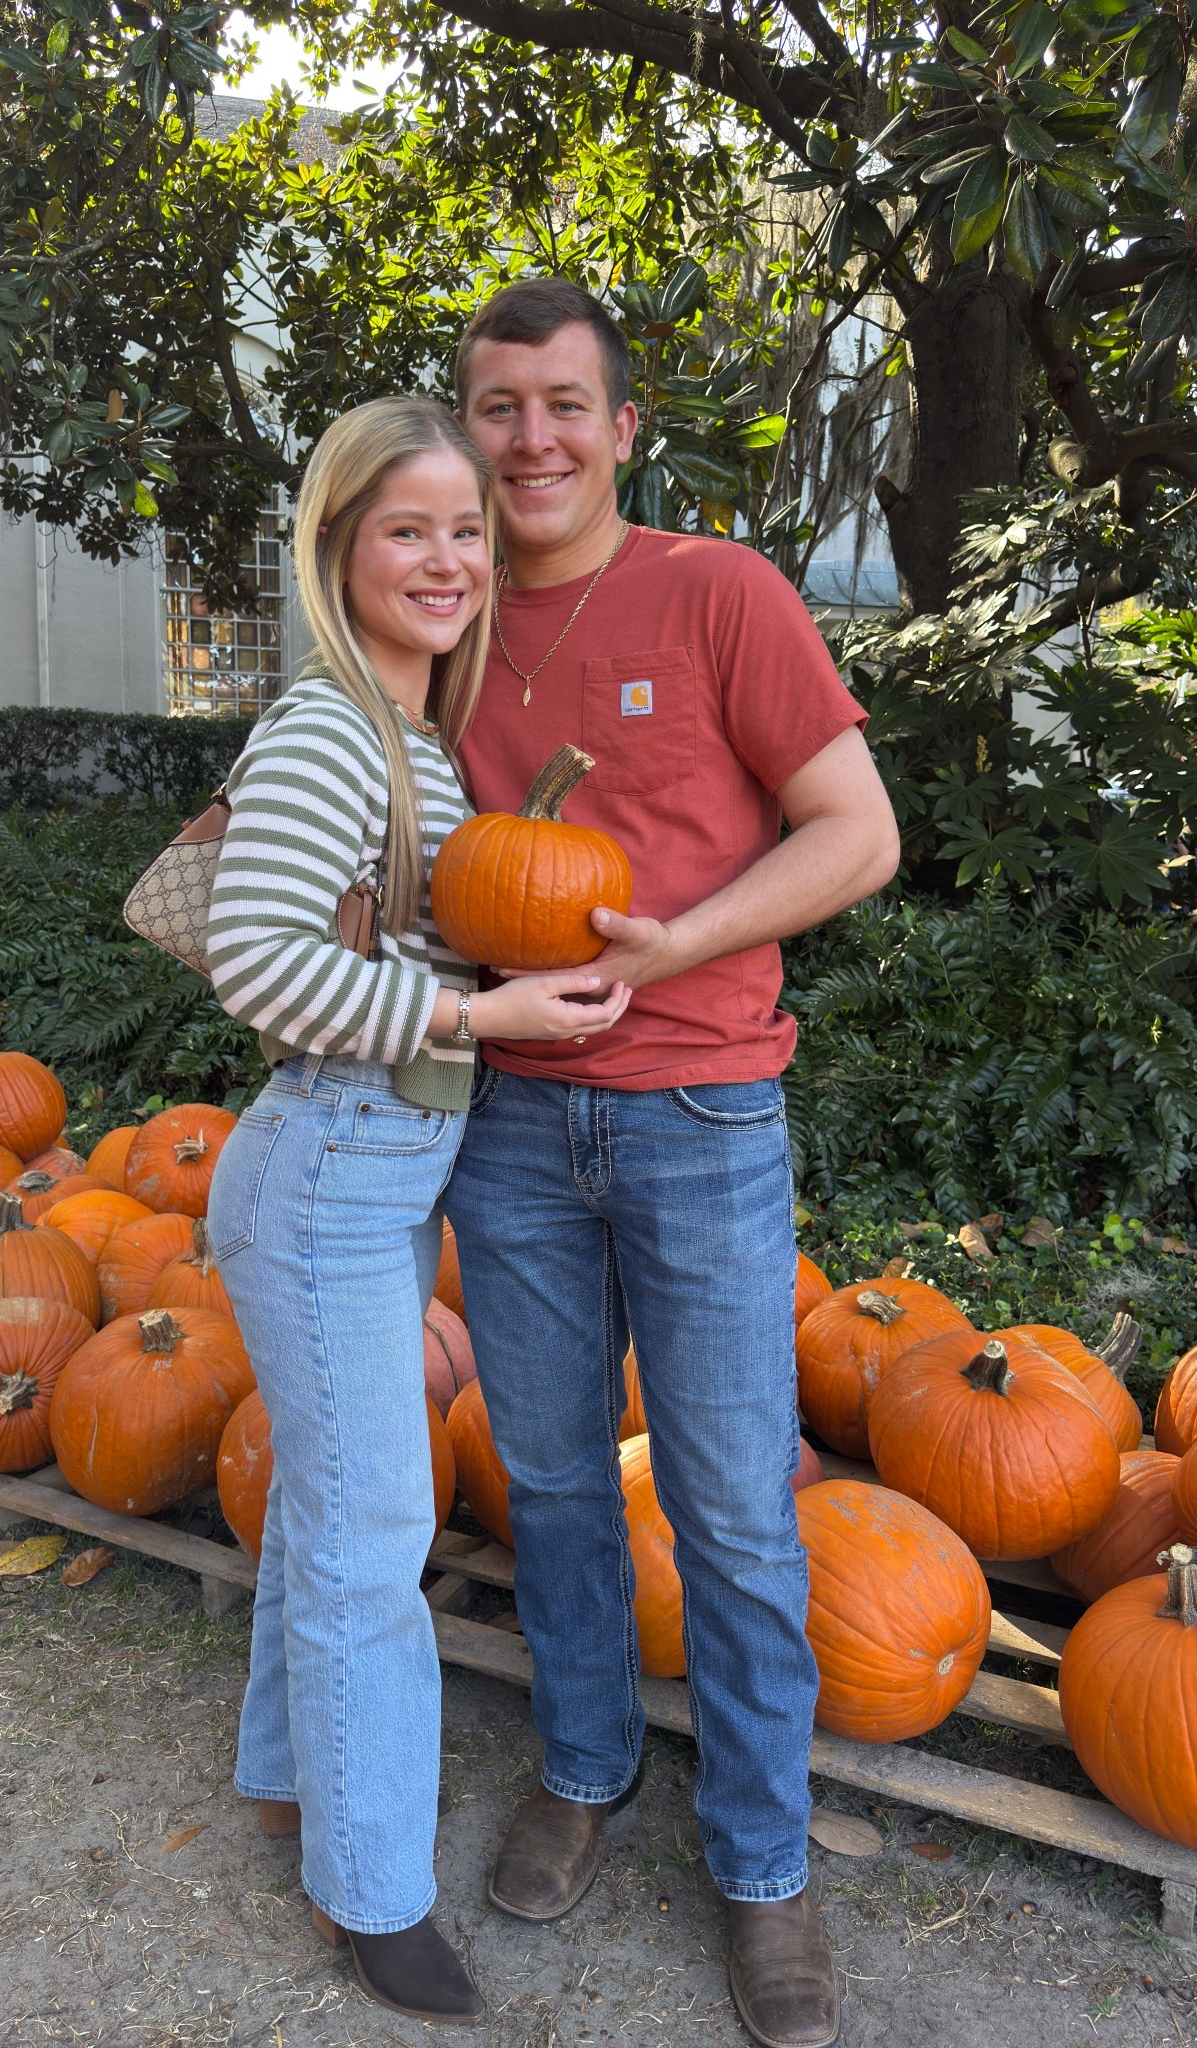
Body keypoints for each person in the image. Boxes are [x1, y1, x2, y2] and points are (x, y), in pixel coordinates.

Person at [443, 280, 901, 2048]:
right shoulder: (450, 616)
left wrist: (671, 944)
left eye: (567, 406)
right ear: (466, 427)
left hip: (700, 1110)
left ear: (625, 428)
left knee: (727, 1507)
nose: (534, 440)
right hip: (504, 1123)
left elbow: (855, 832)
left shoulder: (719, 593)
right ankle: (581, 1762)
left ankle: (765, 1867)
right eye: (499, 408)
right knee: (551, 1479)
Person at [204, 395, 631, 2026]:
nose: (451, 558)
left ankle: (284, 1785)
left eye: (468, 530)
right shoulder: (329, 727)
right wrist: (476, 1019)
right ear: (338, 546)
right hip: (326, 1169)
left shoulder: (416, 735)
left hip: (366, 1176)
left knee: (330, 1515)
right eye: (410, 530)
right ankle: (373, 1893)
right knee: (380, 1540)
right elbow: (256, 961)